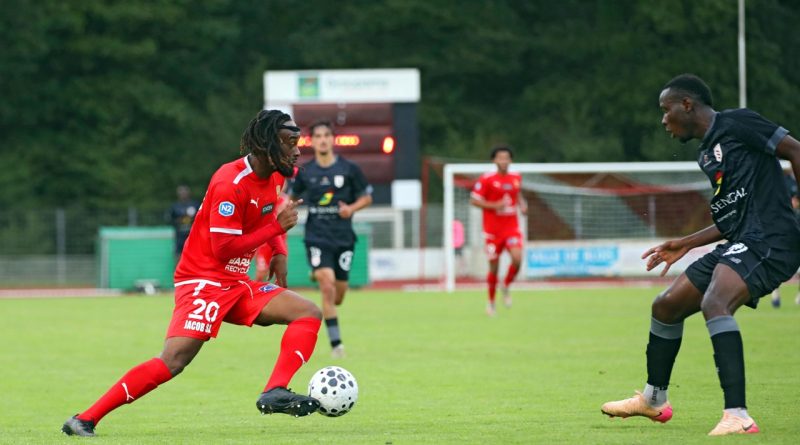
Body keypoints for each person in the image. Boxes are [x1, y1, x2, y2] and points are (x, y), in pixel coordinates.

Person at [62, 110, 323, 437]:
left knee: (308, 313)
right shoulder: (230, 182)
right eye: (289, 143)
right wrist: (274, 229)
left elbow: (274, 210)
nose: (297, 151)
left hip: (237, 283)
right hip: (203, 280)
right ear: (265, 145)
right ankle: (84, 419)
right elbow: (223, 249)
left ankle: (274, 392)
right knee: (173, 361)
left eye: (297, 143)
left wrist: (280, 252)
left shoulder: (277, 175)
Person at [600, 74, 800, 436]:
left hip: (773, 239)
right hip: (742, 240)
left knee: (716, 302)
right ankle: (654, 399)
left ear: (687, 105)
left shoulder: (738, 122)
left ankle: (737, 415)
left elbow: (796, 150)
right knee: (666, 305)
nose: (663, 120)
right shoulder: (707, 155)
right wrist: (688, 242)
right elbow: (731, 218)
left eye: (666, 110)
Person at [289, 121, 372, 359]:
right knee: (327, 286)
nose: (323, 140)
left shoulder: (349, 169)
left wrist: (352, 209)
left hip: (343, 237)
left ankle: (316, 272)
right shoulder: (306, 171)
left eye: (326, 135)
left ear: (332, 140)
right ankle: (337, 345)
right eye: (318, 136)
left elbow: (366, 197)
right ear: (312, 142)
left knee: (339, 294)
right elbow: (290, 197)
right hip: (316, 236)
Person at [469, 145, 527, 316]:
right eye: (500, 158)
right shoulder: (486, 179)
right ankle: (491, 302)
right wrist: (494, 205)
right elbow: (473, 200)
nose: (503, 161)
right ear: (494, 160)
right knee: (493, 268)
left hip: (511, 228)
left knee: (517, 258)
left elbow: (517, 194)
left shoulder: (516, 177)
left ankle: (506, 284)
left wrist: (522, 204)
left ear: (510, 160)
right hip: (492, 232)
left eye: (506, 158)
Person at [770, 174, 800, 307]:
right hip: (783, 247)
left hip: (795, 248)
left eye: (795, 199)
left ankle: (798, 297)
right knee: (776, 270)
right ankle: (775, 295)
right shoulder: (779, 215)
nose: (793, 201)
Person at [168, 185, 200, 259]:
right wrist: (180, 220)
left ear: (188, 193)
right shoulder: (174, 206)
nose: (183, 193)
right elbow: (170, 220)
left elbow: (201, 218)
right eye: (181, 192)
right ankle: (177, 270)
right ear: (178, 194)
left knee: (195, 257)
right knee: (178, 257)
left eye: (185, 191)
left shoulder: (195, 205)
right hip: (179, 237)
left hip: (193, 236)